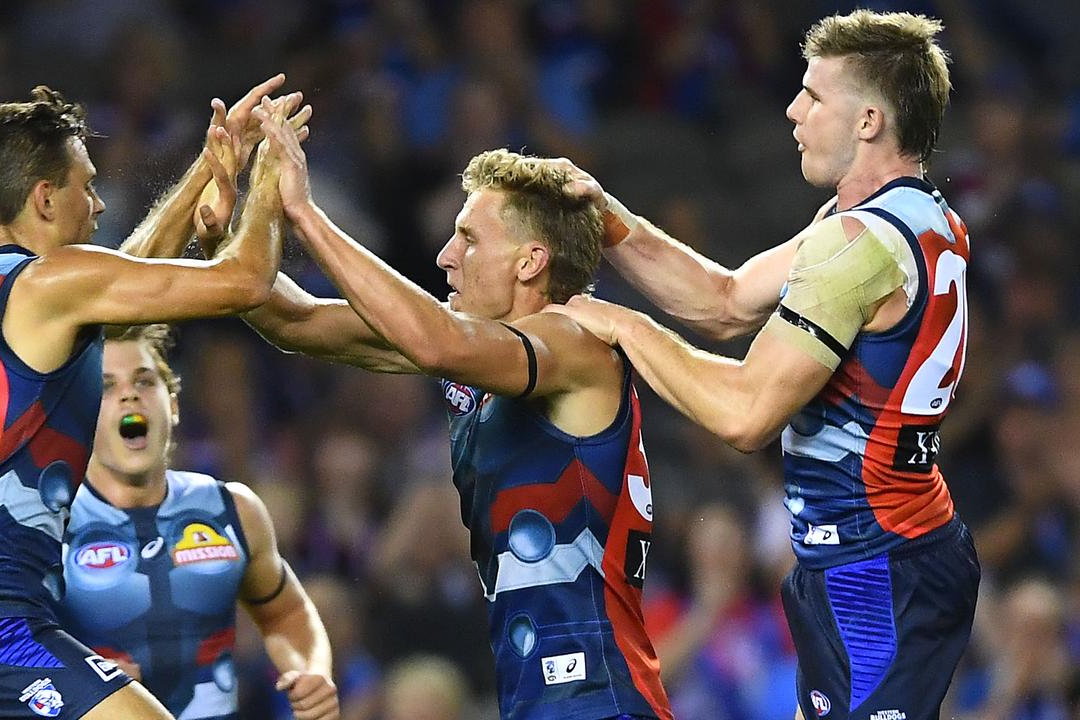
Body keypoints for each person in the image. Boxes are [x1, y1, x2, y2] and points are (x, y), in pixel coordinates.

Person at [547, 10, 980, 720]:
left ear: (869, 119)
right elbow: (724, 300)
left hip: (873, 568)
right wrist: (608, 220)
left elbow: (746, 415)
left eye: (813, 95)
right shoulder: (917, 218)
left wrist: (618, 323)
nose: (792, 109)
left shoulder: (856, 245)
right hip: (887, 550)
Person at [0, 77, 308, 720]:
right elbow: (245, 281)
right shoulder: (47, 284)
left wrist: (207, 169)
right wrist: (273, 172)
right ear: (45, 198)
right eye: (87, 185)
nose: (100, 205)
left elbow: (130, 278)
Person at [236, 109, 674, 720]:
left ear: (530, 262)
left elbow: (435, 341)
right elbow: (295, 321)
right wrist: (244, 208)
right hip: (537, 699)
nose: (445, 256)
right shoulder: (474, 357)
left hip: (602, 699)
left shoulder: (576, 342)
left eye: (468, 238)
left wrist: (307, 214)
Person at [58, 325, 338, 720]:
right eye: (105, 387)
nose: (129, 394)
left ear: (172, 404)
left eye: (144, 380)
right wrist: (79, 686)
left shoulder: (232, 510)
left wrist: (312, 671)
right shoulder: (48, 527)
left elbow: (287, 614)